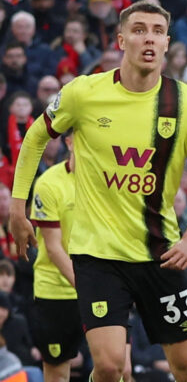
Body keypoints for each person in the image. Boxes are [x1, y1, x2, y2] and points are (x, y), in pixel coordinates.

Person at [9, 0, 187, 382]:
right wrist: (17, 205)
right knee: (109, 366)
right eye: (139, 30)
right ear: (121, 39)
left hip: (161, 252)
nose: (149, 39)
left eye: (157, 31)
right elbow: (35, 136)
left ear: (168, 42)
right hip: (98, 257)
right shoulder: (84, 93)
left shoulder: (186, 101)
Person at [27, 139, 80, 382]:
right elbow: (53, 247)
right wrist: (87, 286)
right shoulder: (49, 183)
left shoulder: (110, 182)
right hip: (57, 291)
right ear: (70, 142)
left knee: (118, 368)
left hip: (103, 287)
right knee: (58, 374)